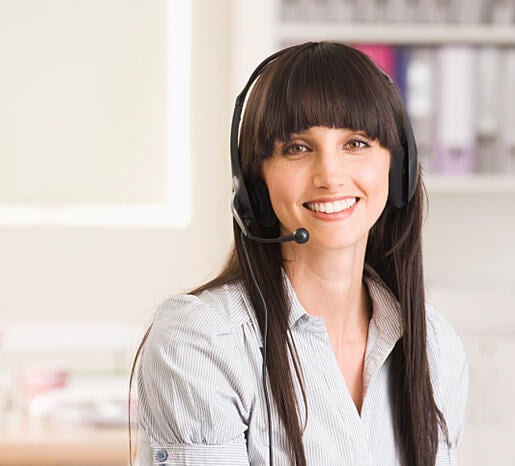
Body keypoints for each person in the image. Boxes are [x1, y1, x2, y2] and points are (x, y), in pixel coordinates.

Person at [131, 41, 468, 466]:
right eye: (297, 148)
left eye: (357, 143)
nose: (329, 176)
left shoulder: (435, 349)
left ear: (396, 168)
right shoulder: (204, 341)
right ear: (255, 185)